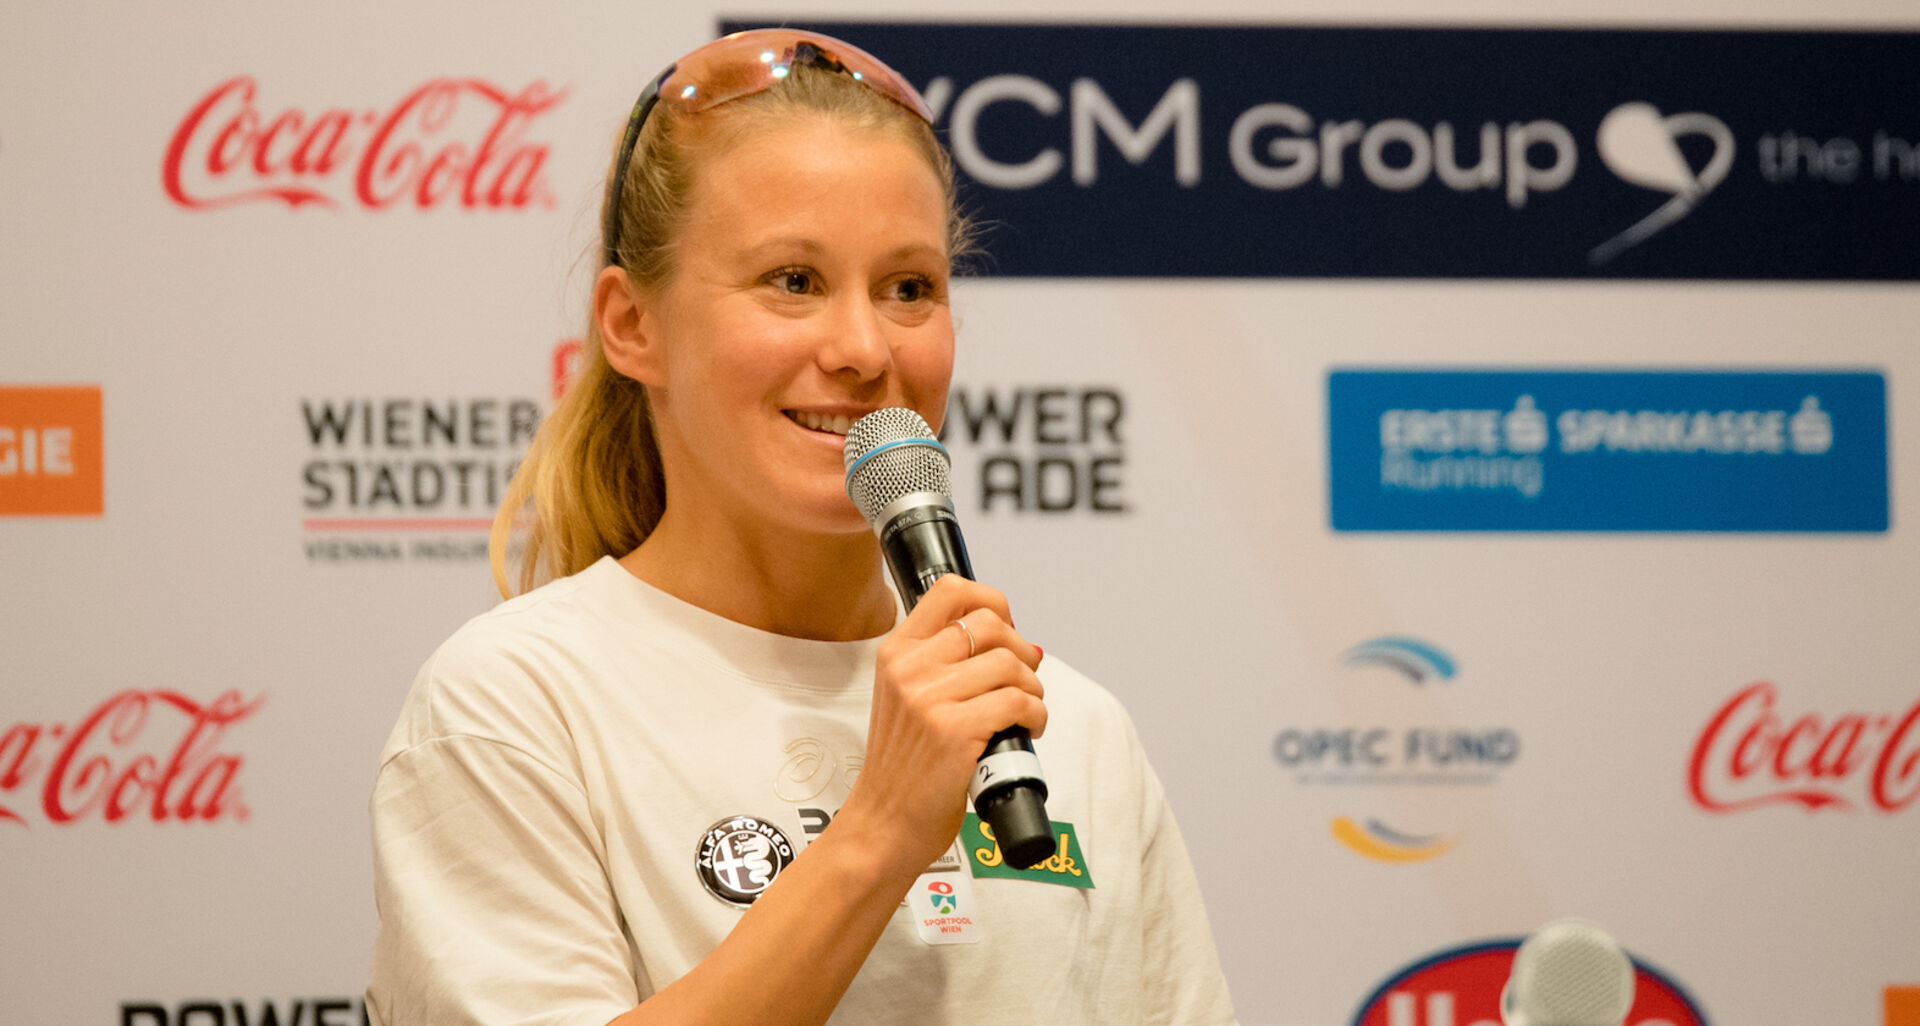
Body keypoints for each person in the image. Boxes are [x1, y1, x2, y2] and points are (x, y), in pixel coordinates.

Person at [366, 29, 1235, 1026]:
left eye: (910, 288)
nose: (865, 349)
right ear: (629, 324)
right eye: (793, 281)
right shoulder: (515, 706)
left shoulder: (1068, 729)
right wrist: (877, 834)